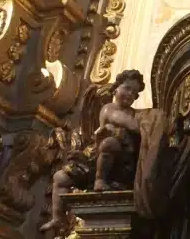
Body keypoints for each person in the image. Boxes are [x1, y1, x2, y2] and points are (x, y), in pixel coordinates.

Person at [40, 70, 146, 233]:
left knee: (109, 143)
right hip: (95, 156)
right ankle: (57, 218)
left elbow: (133, 130)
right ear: (116, 88)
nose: (130, 94)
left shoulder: (134, 114)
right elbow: (127, 123)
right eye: (127, 88)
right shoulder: (108, 109)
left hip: (121, 161)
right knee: (60, 177)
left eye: (135, 92)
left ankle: (100, 180)